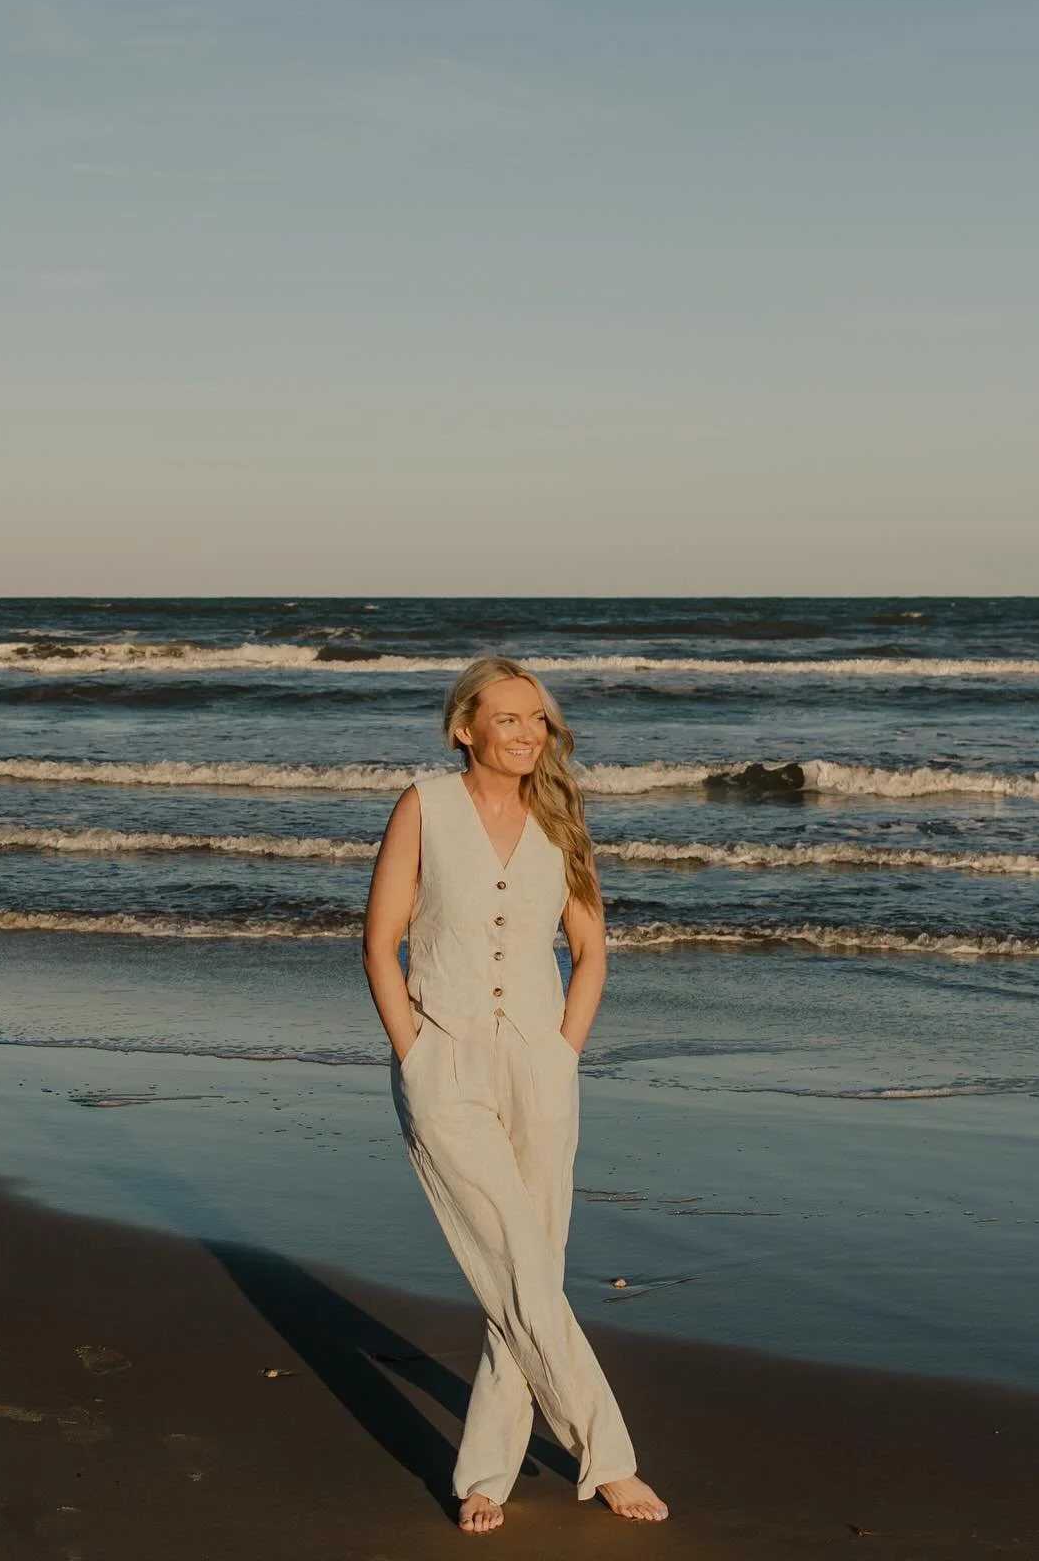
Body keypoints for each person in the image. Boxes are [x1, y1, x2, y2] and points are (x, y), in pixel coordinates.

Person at [362, 656, 669, 1534]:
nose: (530, 734)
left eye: (538, 720)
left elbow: (592, 947)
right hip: (444, 1060)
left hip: (540, 1066)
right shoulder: (424, 806)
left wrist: (564, 1050)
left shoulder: (561, 816)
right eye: (509, 719)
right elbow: (381, 944)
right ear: (465, 728)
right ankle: (609, 1461)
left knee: (525, 1273)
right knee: (522, 1267)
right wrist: (414, 1050)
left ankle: (486, 1474)